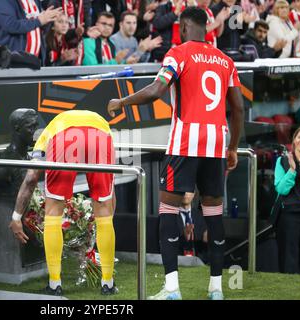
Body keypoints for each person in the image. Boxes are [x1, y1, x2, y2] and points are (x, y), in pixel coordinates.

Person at [107, 7, 244, 300]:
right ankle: (217, 289)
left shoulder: (178, 54)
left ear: (182, 27)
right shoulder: (225, 60)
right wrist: (232, 147)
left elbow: (157, 90)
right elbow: (239, 108)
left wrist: (122, 101)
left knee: (168, 210)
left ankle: (172, 290)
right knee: (213, 213)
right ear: (207, 27)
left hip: (185, 143)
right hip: (217, 143)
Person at [9, 110, 118, 296]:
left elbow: (31, 178)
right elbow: (110, 194)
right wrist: (101, 225)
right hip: (101, 133)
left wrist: (16, 217)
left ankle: (54, 284)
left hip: (63, 137)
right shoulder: (102, 125)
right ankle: (107, 283)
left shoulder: (46, 134)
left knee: (53, 210)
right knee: (104, 211)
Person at [274, 125, 300, 274]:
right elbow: (281, 189)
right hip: (289, 214)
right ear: (294, 140)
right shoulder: (282, 161)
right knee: (288, 256)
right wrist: (292, 170)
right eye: (299, 137)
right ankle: (287, 287)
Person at [0, 0, 62, 65]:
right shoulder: (2, 1)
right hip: (11, 62)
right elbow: (11, 25)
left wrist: (48, 19)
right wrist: (39, 21)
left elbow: (38, 28)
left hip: (35, 61)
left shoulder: (35, 1)